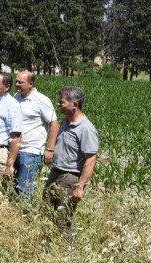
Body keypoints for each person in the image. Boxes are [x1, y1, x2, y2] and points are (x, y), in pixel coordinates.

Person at [44, 86, 98, 235]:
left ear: (74, 104)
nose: (58, 104)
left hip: (69, 177)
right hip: (55, 172)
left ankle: (66, 246)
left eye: (62, 102)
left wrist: (79, 187)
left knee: (63, 218)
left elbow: (90, 160)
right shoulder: (64, 122)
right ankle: (48, 242)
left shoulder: (86, 128)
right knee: (46, 210)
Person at [13, 70, 59, 200]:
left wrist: (50, 149)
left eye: (20, 82)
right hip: (15, 149)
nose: (17, 84)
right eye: (16, 81)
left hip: (30, 151)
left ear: (31, 84)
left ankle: (24, 211)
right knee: (13, 187)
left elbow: (54, 124)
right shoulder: (16, 97)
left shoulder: (42, 100)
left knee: (24, 190)